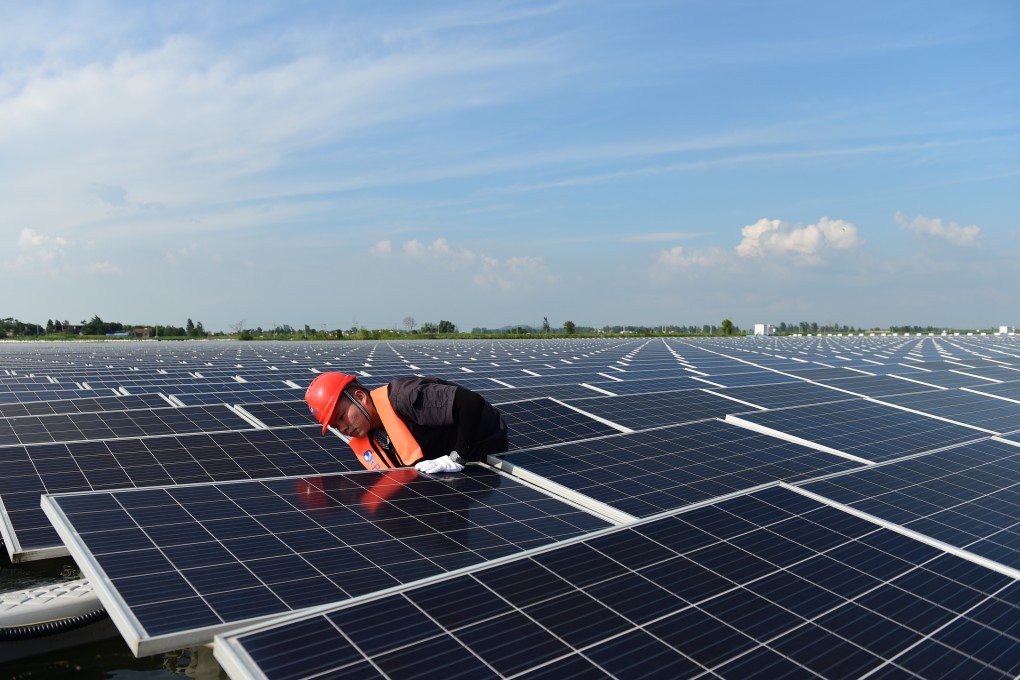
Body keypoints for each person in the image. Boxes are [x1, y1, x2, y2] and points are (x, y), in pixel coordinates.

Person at [305, 372, 508, 473]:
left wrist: (457, 457)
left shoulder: (405, 397)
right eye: (335, 426)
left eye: (341, 417)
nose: (343, 428)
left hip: (484, 445)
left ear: (360, 397)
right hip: (441, 454)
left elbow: (471, 403)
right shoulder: (370, 435)